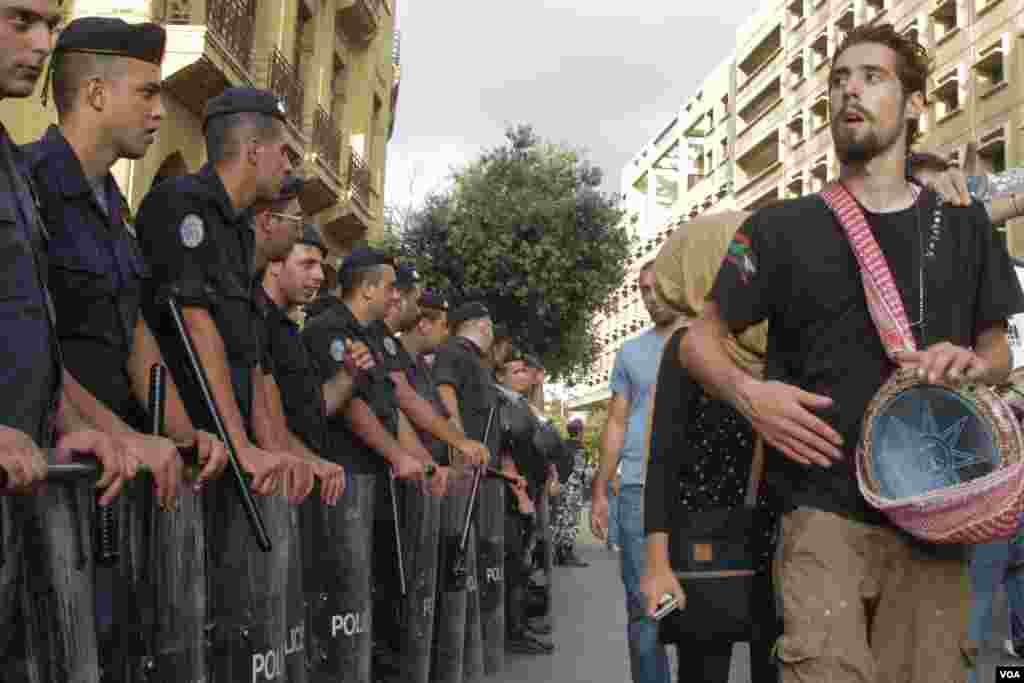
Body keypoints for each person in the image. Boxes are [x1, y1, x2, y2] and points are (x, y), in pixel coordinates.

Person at [682, 23, 1024, 683]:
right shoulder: (779, 227)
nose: (850, 91)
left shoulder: (963, 225)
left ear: (916, 104)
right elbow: (701, 339)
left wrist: (974, 365)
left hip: (937, 518)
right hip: (820, 511)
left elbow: (998, 350)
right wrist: (750, 396)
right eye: (839, 79)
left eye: (872, 76)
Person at [135, 86, 318, 681]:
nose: (289, 165)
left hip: (230, 465)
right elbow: (195, 327)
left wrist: (274, 450)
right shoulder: (180, 205)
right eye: (283, 153)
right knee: (174, 632)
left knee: (225, 623)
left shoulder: (240, 233)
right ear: (253, 150)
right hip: (191, 455)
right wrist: (238, 445)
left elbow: (252, 359)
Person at [0, 2, 133, 680]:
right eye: (20, 19)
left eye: (49, 25)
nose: (42, 42)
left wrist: (71, 423)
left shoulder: (9, 163)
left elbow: (32, 331)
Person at [640, 211, 779, 683]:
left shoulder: (790, 339)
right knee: (702, 670)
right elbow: (661, 462)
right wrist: (657, 566)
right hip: (700, 546)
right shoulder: (687, 348)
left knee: (779, 665)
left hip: (783, 544)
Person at [301, 246, 428, 683]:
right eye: (391, 287)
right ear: (369, 287)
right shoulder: (330, 329)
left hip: (375, 482)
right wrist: (398, 457)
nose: (396, 297)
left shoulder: (370, 334)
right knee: (343, 595)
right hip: (346, 479)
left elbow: (391, 407)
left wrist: (414, 458)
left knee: (377, 590)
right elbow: (352, 408)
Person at [590, 260, 680, 683]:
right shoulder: (630, 353)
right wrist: (600, 491)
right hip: (638, 492)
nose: (649, 297)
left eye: (657, 287)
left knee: (704, 608)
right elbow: (616, 423)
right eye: (643, 290)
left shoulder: (705, 340)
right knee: (645, 607)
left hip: (694, 493)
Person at [432, 301, 505, 676]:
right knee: (455, 560)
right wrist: (459, 447)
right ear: (477, 323)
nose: (493, 331)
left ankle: (466, 655)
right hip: (464, 472)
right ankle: (449, 659)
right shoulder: (453, 352)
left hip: (479, 473)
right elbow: (445, 396)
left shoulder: (477, 359)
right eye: (489, 323)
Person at [552, 418, 588, 567]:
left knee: (560, 520)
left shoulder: (562, 446)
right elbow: (579, 471)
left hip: (560, 487)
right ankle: (567, 553)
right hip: (573, 489)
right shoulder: (580, 449)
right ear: (579, 432)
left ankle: (557, 553)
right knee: (572, 521)